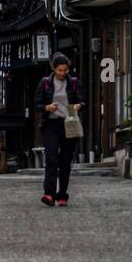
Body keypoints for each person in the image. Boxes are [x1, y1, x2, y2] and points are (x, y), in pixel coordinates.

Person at [34, 53, 84, 206]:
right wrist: (47, 108)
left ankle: (62, 194)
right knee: (51, 158)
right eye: (60, 70)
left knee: (65, 161)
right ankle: (49, 193)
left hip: (69, 123)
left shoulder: (74, 82)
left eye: (65, 70)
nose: (63, 73)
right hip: (51, 124)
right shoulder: (45, 83)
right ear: (54, 69)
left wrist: (78, 105)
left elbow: (82, 100)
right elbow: (37, 104)